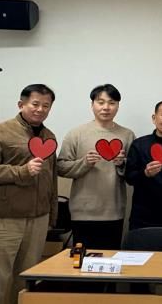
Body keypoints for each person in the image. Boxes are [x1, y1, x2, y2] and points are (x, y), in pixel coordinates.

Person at [0, 84, 57, 304]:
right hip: (6, 218)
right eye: (35, 104)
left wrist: (52, 214)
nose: (40, 109)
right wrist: (22, 171)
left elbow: (52, 178)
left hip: (39, 219)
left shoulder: (49, 136)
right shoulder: (1, 131)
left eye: (46, 106)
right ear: (21, 104)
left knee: (28, 279)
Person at [57, 84, 135, 249]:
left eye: (112, 103)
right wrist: (84, 163)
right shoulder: (76, 133)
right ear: (92, 104)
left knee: (111, 258)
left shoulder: (127, 135)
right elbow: (61, 167)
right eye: (101, 102)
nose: (106, 107)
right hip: (82, 211)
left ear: (118, 106)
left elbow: (134, 173)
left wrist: (122, 163)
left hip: (114, 210)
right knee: (82, 259)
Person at [125, 100, 162, 230]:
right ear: (154, 118)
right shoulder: (139, 144)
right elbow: (129, 177)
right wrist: (145, 173)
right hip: (143, 215)